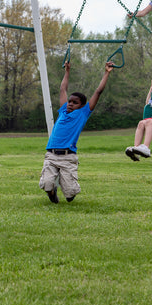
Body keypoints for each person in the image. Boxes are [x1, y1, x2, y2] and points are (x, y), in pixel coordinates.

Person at [39, 61, 115, 203]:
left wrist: (106, 72)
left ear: (82, 106)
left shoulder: (83, 113)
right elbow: (63, 89)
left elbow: (98, 92)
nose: (70, 104)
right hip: (51, 154)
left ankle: (67, 185)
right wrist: (67, 71)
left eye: (74, 102)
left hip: (68, 157)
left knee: (70, 195)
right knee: (46, 184)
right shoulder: (63, 111)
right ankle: (52, 193)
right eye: (69, 101)